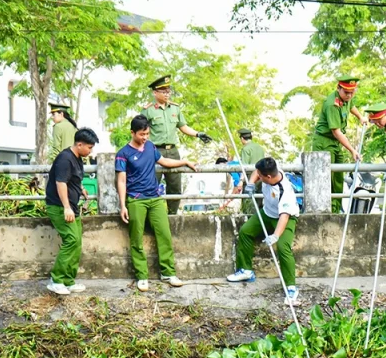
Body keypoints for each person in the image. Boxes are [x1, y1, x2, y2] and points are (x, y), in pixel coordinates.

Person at [115, 115, 197, 292]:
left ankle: (168, 272)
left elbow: (164, 161)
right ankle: (142, 276)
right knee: (136, 238)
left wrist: (184, 161)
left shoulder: (151, 147)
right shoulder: (123, 154)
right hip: (136, 199)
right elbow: (121, 181)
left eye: (147, 134)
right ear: (132, 133)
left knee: (165, 234)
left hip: (155, 198)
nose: (145, 137)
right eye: (142, 134)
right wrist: (123, 205)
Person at [227, 157, 301, 305]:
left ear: (268, 177)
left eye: (260, 176)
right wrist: (251, 183)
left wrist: (275, 236)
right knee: (245, 232)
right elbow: (257, 170)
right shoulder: (272, 168)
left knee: (282, 247)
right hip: (266, 213)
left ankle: (291, 288)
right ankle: (246, 271)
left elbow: (284, 217)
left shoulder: (284, 191)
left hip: (285, 218)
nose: (258, 176)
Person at [141, 75, 213, 215]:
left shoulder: (175, 109)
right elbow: (141, 130)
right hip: (154, 152)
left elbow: (183, 127)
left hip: (173, 152)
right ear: (155, 93)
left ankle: (172, 215)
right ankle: (152, 216)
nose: (167, 94)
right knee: (151, 185)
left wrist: (198, 134)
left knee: (175, 186)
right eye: (164, 91)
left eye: (168, 91)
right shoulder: (148, 110)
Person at [45, 128, 99, 295]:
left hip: (72, 207)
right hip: (60, 207)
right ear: (80, 144)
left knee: (76, 243)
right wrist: (67, 207)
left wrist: (81, 188)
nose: (91, 151)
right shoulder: (65, 159)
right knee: (71, 240)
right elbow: (60, 183)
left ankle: (68, 280)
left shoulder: (78, 159)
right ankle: (56, 279)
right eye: (89, 147)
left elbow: (73, 179)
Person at [310, 76, 367, 213]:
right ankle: (326, 210)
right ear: (338, 88)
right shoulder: (332, 104)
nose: (349, 95)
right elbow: (336, 132)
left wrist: (360, 117)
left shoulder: (347, 98)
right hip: (324, 142)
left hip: (336, 143)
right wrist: (352, 150)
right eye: (346, 92)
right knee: (326, 179)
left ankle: (336, 210)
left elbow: (351, 105)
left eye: (352, 92)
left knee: (338, 177)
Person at [235, 128, 265, 214]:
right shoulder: (260, 148)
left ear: (242, 138)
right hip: (261, 179)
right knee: (259, 203)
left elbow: (244, 167)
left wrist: (240, 182)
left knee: (248, 204)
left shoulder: (245, 149)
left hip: (250, 179)